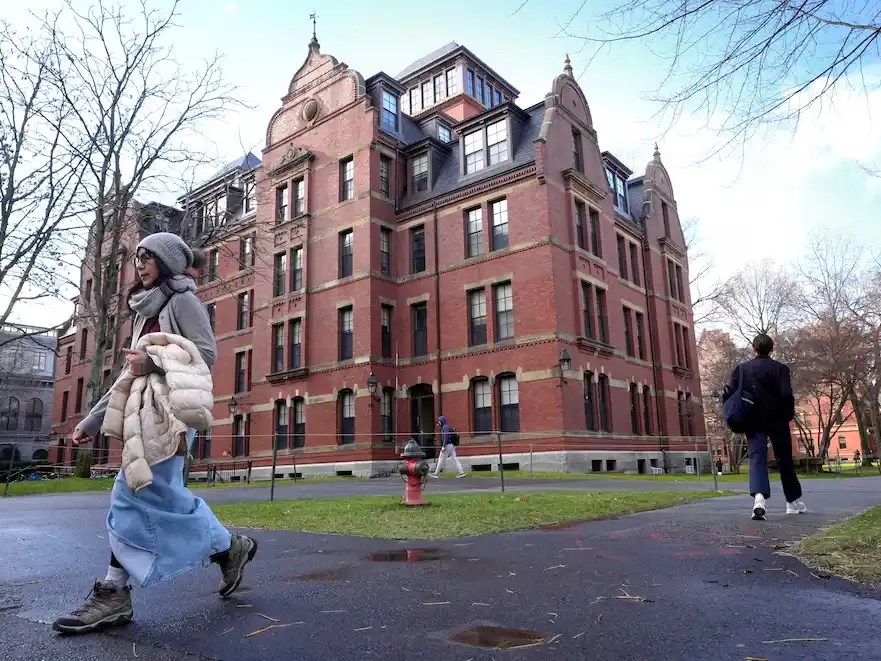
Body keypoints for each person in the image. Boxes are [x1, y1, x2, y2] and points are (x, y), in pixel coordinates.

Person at [53, 234, 258, 635]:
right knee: (165, 500)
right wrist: (91, 421)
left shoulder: (182, 300)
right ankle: (230, 547)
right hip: (140, 415)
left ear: (167, 263)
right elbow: (130, 372)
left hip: (171, 417)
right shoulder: (141, 310)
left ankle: (113, 592)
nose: (141, 264)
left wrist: (156, 360)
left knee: (129, 492)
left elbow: (207, 353)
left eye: (148, 258)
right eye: (138, 258)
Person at [725, 333, 806, 520]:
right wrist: (786, 415)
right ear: (771, 348)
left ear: (754, 348)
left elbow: (731, 393)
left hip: (753, 420)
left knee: (756, 459)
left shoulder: (742, 369)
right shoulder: (781, 369)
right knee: (784, 459)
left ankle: (759, 500)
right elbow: (787, 395)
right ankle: (792, 502)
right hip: (777, 419)